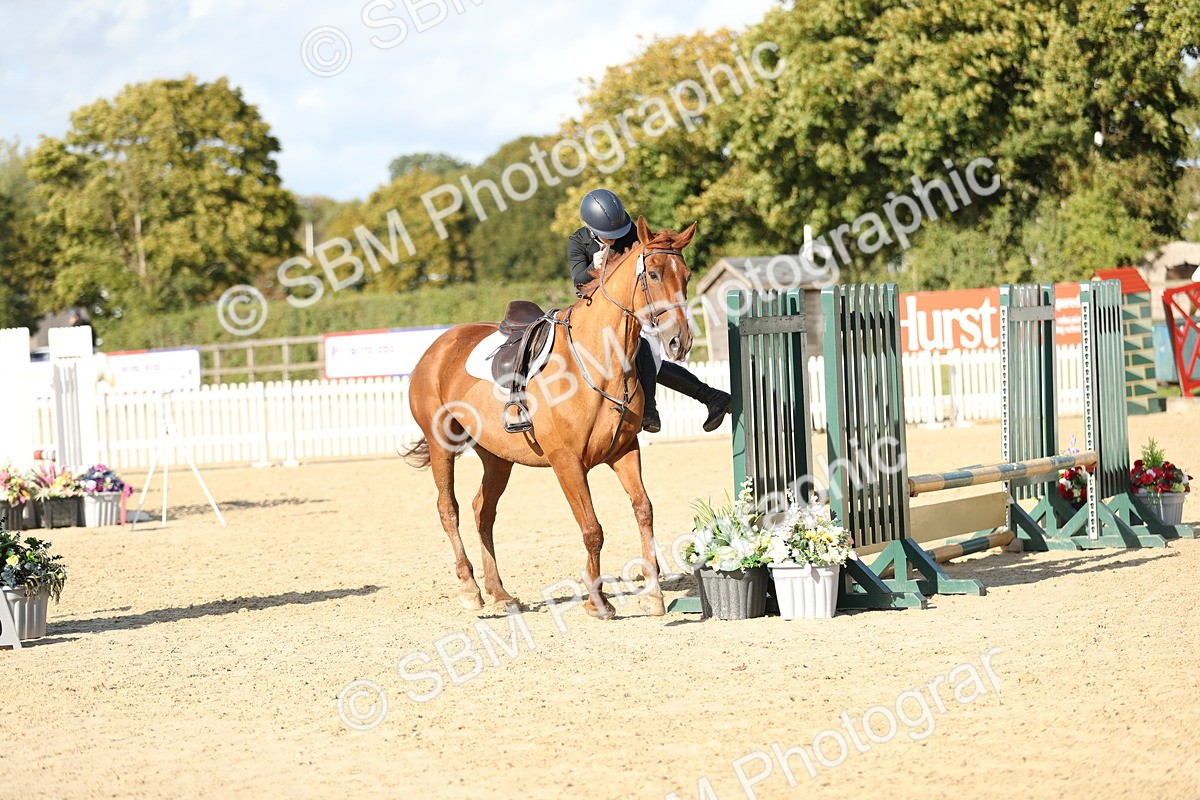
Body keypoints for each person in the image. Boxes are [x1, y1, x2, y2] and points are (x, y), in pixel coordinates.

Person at [567, 189, 731, 433]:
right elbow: (578, 281)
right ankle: (709, 395)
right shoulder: (578, 241)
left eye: (617, 234)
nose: (614, 240)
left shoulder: (630, 231)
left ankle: (650, 408)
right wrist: (595, 265)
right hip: (595, 313)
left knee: (644, 349)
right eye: (607, 236)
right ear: (589, 228)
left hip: (633, 310)